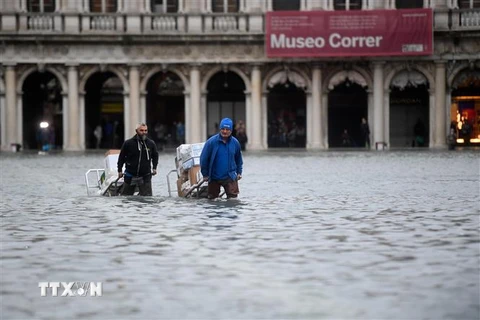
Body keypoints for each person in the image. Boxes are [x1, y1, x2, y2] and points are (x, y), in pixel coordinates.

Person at [200, 117, 243, 199]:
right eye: (223, 129)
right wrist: (205, 174)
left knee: (233, 200)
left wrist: (239, 172)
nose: (225, 131)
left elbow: (239, 159)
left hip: (230, 176)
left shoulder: (235, 143)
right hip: (214, 176)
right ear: (220, 129)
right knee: (212, 199)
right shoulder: (211, 142)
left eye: (227, 129)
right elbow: (204, 159)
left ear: (231, 130)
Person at [117, 123, 159, 196]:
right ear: (136, 131)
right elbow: (121, 157)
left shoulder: (151, 143)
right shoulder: (128, 143)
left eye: (145, 130)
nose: (144, 132)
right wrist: (119, 170)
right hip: (130, 175)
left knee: (147, 199)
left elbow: (155, 156)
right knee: (126, 198)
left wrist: (154, 168)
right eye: (141, 130)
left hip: (145, 175)